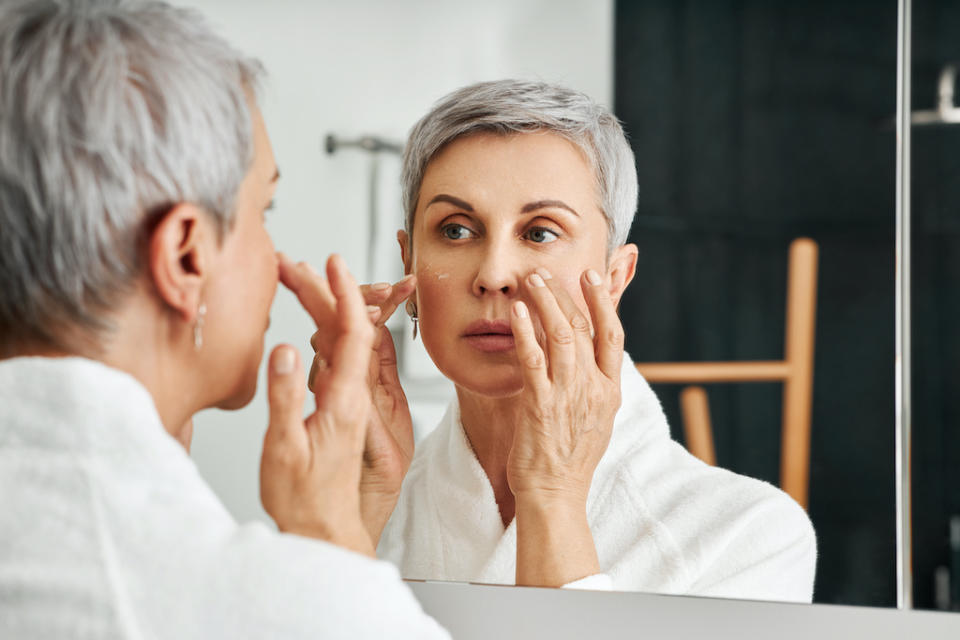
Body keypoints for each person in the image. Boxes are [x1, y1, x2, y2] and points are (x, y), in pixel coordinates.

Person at [0, 1, 448, 637]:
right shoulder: (251, 600)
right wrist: (330, 545)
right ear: (186, 255)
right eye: (264, 211)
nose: (280, 260)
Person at [317, 79, 817, 601]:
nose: (493, 274)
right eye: (456, 230)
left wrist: (552, 494)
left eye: (540, 233)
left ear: (616, 277)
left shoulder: (747, 538)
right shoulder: (364, 506)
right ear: (409, 265)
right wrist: (361, 496)